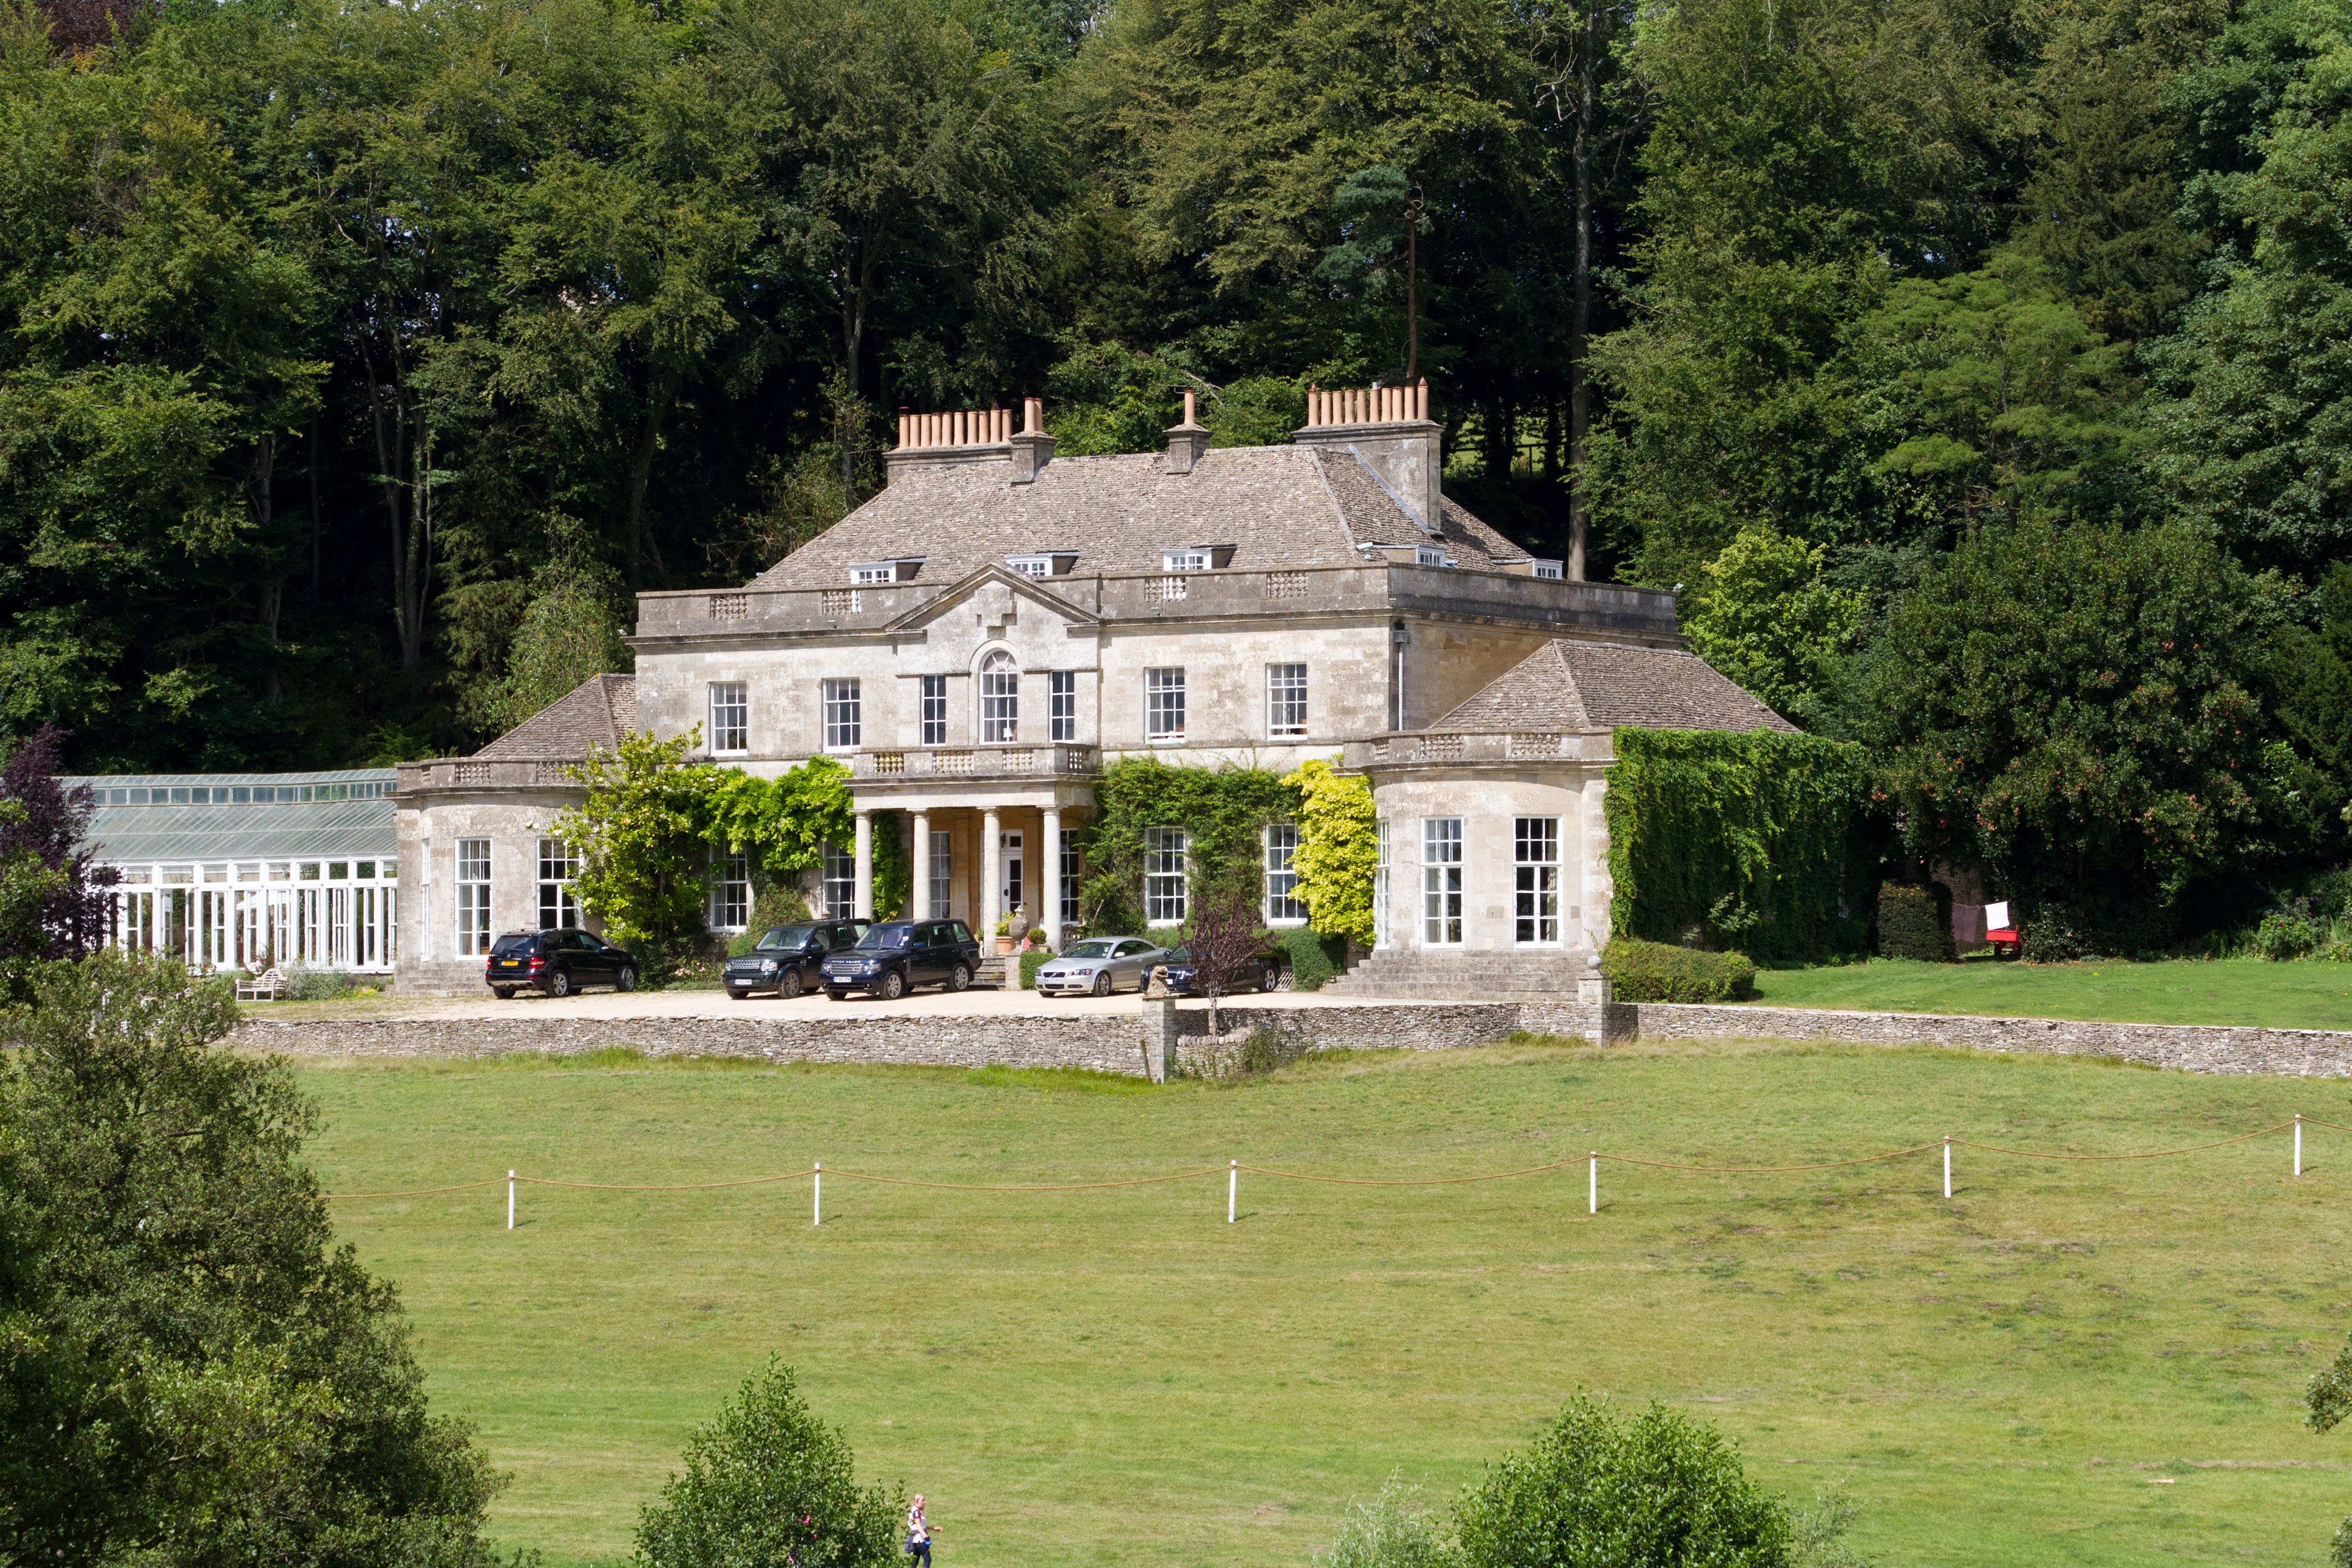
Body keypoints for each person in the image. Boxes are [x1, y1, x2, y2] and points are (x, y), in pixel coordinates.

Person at [905, 1494, 938, 1567]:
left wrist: (933, 1528)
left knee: (915, 1561)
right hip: (918, 1539)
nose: (925, 1502)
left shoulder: (919, 1511)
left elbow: (921, 1526)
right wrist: (925, 1536)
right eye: (923, 1501)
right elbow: (918, 1525)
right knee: (927, 1559)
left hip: (917, 1538)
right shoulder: (916, 1512)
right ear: (917, 1501)